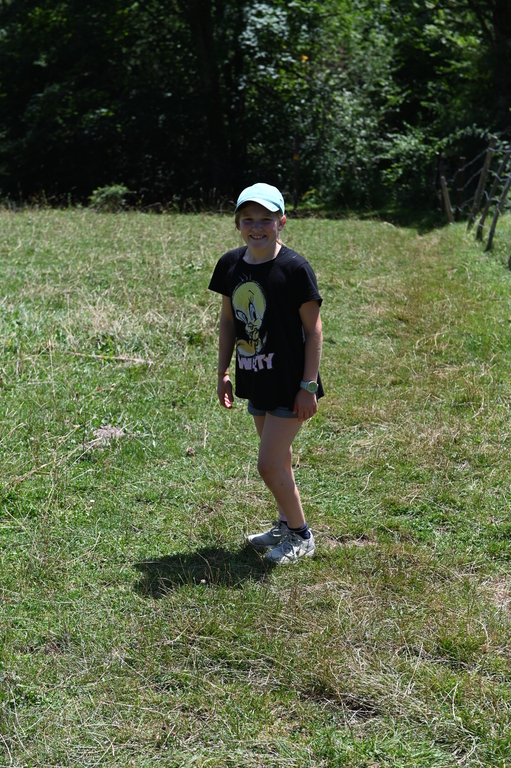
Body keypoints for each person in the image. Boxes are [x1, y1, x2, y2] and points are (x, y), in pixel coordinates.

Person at [208, 182, 323, 565]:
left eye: (266, 219)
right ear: (238, 223)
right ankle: (285, 525)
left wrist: (308, 386)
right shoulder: (230, 265)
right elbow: (229, 321)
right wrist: (223, 371)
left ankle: (301, 536)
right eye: (248, 219)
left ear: (281, 222)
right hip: (255, 377)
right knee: (280, 460)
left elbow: (314, 330)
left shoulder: (295, 268)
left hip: (292, 382)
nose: (256, 227)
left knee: (268, 464)